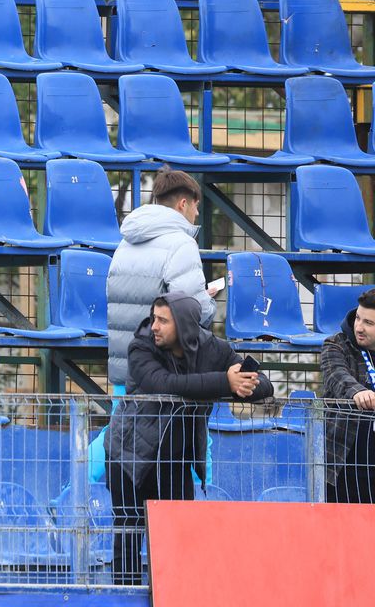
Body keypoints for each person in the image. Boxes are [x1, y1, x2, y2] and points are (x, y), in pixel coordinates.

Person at [104, 292, 271, 586]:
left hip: (175, 458)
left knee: (177, 535)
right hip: (130, 454)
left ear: (184, 326)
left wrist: (242, 384)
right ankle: (125, 595)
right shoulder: (140, 346)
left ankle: (173, 594)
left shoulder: (214, 349)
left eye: (163, 320)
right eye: (154, 318)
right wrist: (224, 382)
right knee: (129, 530)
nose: (154, 326)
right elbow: (162, 384)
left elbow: (265, 386)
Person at [106, 167, 220, 393]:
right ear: (183, 204)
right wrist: (207, 302)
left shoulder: (125, 243)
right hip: (160, 375)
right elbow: (193, 312)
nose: (197, 213)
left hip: (124, 373)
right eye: (196, 206)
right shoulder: (182, 244)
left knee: (121, 418)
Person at [320, 287, 375, 503]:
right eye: (358, 318)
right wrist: (358, 392)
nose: (359, 327)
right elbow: (336, 375)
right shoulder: (336, 344)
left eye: (368, 323)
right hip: (343, 463)